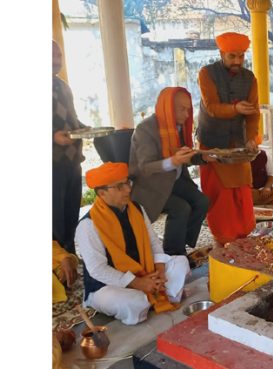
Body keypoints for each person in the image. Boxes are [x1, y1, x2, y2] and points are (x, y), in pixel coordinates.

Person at [76, 162, 190, 325]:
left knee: (181, 262)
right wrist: (137, 283)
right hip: (108, 286)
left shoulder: (136, 209)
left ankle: (156, 291)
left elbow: (153, 242)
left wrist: (160, 271)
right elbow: (98, 270)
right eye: (120, 186)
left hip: (145, 273)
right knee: (132, 301)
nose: (128, 189)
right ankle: (153, 297)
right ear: (102, 193)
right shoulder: (88, 225)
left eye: (127, 182)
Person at [129, 87, 209, 258]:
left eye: (189, 109)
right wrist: (174, 161)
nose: (187, 115)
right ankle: (174, 254)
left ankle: (180, 241)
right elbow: (145, 167)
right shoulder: (146, 129)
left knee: (202, 201)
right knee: (181, 208)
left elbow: (185, 158)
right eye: (182, 109)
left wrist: (206, 157)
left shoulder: (179, 126)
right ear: (167, 107)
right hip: (151, 186)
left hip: (175, 179)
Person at [197, 32, 261, 244]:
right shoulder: (206, 74)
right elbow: (212, 107)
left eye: (241, 56)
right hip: (212, 143)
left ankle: (243, 237)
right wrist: (235, 108)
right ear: (221, 53)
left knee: (241, 192)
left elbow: (253, 113)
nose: (237, 61)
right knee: (220, 196)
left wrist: (252, 137)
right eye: (232, 56)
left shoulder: (250, 78)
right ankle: (222, 239)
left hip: (238, 145)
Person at [53, 40, 88, 254]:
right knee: (54, 217)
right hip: (52, 164)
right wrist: (52, 137)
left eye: (58, 56)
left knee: (71, 212)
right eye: (51, 56)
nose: (56, 61)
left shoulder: (63, 86)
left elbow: (71, 120)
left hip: (73, 160)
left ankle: (70, 257)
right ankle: (56, 265)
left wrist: (85, 129)